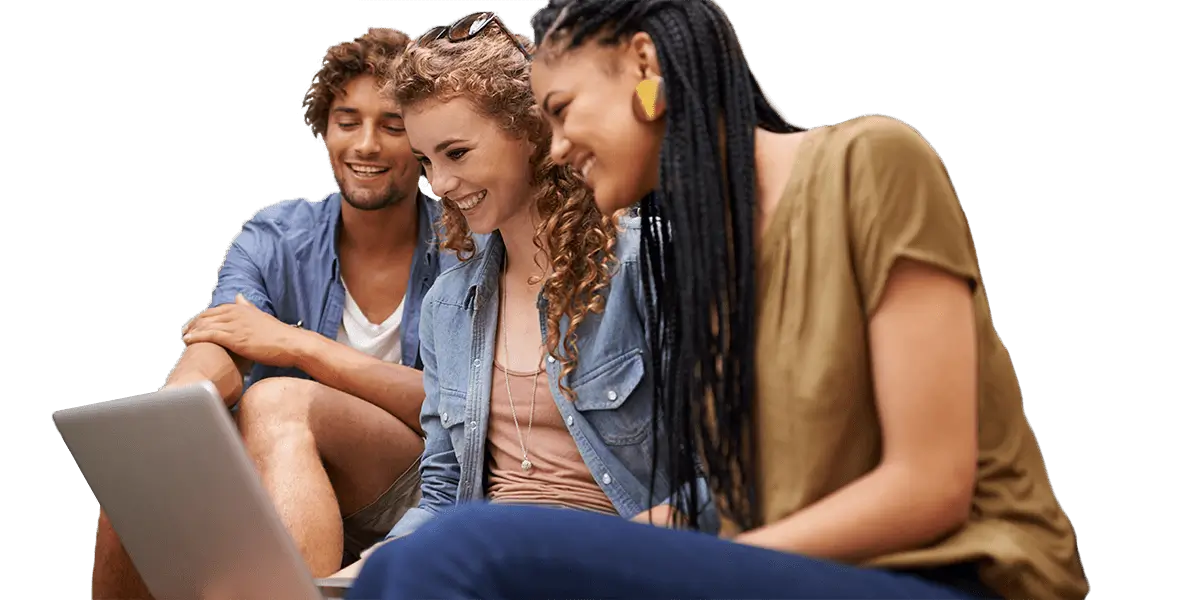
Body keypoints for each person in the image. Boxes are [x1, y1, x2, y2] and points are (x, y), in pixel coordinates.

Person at [346, 2, 1090, 600]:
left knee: (463, 548)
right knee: (391, 573)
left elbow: (929, 488)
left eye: (565, 110)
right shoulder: (711, 256)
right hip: (808, 568)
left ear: (645, 67)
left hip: (960, 572)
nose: (559, 145)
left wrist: (656, 567)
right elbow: (737, 497)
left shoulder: (871, 163)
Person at [333, 10, 718, 582]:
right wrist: (377, 564)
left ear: (532, 133)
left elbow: (721, 481)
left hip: (625, 564)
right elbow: (442, 491)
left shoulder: (646, 265)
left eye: (456, 153)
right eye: (425, 162)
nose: (438, 184)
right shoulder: (448, 304)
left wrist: (609, 556)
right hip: (490, 567)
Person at [92, 27, 456, 600]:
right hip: (292, 470)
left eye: (393, 124)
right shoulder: (275, 237)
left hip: (419, 475)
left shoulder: (464, 246)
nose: (366, 144)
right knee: (137, 485)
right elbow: (219, 343)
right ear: (324, 128)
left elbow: (455, 404)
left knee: (279, 397)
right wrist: (168, 425)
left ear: (424, 139)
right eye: (347, 121)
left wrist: (298, 345)